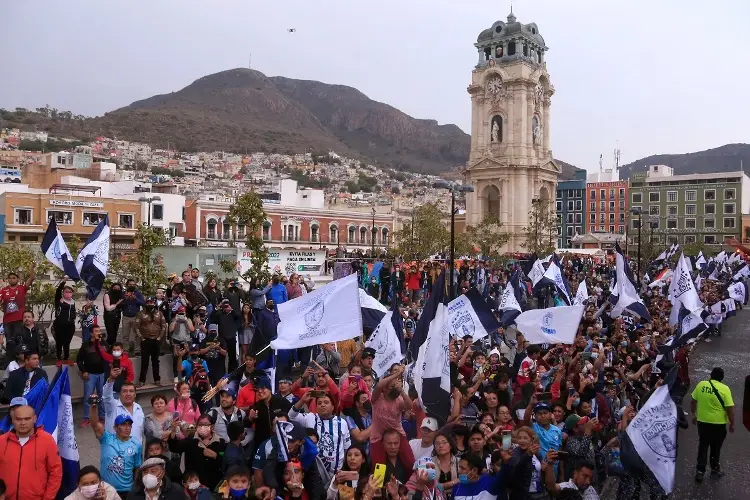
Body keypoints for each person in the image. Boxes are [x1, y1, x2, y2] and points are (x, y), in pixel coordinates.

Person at [0, 401, 62, 500]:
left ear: (34, 418)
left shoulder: (47, 440)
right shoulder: (2, 441)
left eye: (27, 419)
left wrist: (48, 498)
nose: (23, 423)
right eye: (18, 419)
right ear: (12, 420)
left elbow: (55, 473)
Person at [289, 391, 352, 476]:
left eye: (326, 402)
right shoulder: (310, 418)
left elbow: (346, 448)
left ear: (333, 407)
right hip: (313, 473)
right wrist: (302, 401)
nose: (322, 405)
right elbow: (291, 417)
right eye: (319, 403)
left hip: (336, 474)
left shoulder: (342, 422)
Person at [90, 400, 143, 499]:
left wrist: (135, 488)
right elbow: (95, 424)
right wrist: (93, 406)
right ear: (115, 428)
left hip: (127, 490)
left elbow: (137, 468)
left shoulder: (137, 444)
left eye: (129, 425)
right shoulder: (106, 438)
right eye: (123, 425)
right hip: (107, 489)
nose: (127, 428)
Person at [690, 366, 734, 482]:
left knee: (703, 446)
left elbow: (693, 401)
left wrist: (694, 415)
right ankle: (714, 467)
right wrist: (732, 423)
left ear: (711, 375)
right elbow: (729, 408)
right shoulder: (725, 389)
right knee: (716, 447)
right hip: (719, 424)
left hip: (703, 422)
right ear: (722, 378)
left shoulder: (701, 385)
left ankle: (700, 471)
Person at [369, 364, 415, 472]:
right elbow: (379, 385)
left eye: (395, 388)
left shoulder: (398, 400)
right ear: (384, 389)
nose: (394, 390)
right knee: (378, 468)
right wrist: (397, 374)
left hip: (397, 433)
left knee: (410, 462)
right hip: (378, 435)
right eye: (391, 388)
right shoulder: (377, 398)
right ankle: (378, 488)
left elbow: (410, 406)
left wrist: (402, 391)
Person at [168, 413, 228, 490]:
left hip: (214, 484)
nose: (203, 427)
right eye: (200, 424)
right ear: (196, 426)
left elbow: (225, 462)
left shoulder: (220, 442)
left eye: (206, 424)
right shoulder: (191, 440)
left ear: (212, 426)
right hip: (194, 484)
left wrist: (215, 456)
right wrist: (173, 431)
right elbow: (174, 448)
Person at [103, 365, 146, 444]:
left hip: (135, 451)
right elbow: (106, 396)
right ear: (120, 394)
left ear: (135, 394)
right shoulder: (112, 406)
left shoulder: (138, 408)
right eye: (125, 391)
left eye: (131, 391)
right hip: (116, 452)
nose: (128, 394)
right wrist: (111, 379)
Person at [77, 325, 109, 427]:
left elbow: (109, 358)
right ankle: (87, 418)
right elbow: (79, 360)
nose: (99, 333)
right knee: (88, 397)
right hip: (90, 375)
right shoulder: (86, 345)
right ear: (91, 333)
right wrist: (84, 371)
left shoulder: (104, 344)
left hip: (102, 374)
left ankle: (102, 416)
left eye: (99, 331)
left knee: (102, 395)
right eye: (96, 331)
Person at [0, 265, 35, 350]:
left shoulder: (22, 288)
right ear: (8, 280)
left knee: (19, 343)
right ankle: (11, 362)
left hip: (19, 320)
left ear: (18, 279)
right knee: (9, 343)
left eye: (14, 278)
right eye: (10, 278)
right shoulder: (3, 290)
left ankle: (21, 362)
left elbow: (31, 278)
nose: (12, 279)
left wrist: (32, 269)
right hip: (7, 321)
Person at [136, 296, 167, 387]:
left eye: (152, 302)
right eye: (148, 302)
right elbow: (136, 327)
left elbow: (164, 326)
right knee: (144, 361)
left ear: (154, 303)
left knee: (155, 361)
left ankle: (157, 380)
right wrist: (141, 338)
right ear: (146, 303)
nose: (150, 304)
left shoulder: (160, 313)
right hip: (145, 340)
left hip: (156, 340)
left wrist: (160, 337)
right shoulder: (140, 314)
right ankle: (142, 381)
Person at [211, 299, 241, 373]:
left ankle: (233, 372)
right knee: (222, 356)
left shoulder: (233, 314)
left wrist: (231, 310)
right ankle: (222, 372)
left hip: (231, 337)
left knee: (232, 357)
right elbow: (212, 318)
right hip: (222, 338)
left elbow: (239, 317)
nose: (226, 308)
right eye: (224, 306)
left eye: (227, 306)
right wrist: (216, 309)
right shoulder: (219, 314)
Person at [170, 305, 195, 384]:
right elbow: (170, 329)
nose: (181, 314)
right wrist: (175, 320)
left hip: (186, 342)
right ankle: (176, 376)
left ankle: (184, 375)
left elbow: (192, 329)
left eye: (183, 313)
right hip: (176, 341)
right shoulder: (175, 319)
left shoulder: (188, 319)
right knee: (176, 359)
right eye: (180, 313)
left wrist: (186, 320)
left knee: (186, 359)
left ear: (185, 313)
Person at [53, 281, 77, 365]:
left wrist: (73, 318)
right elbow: (58, 290)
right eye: (66, 291)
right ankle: (59, 358)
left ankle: (66, 358)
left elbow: (73, 312)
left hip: (70, 326)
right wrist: (63, 281)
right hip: (59, 325)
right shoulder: (59, 300)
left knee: (67, 342)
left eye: (70, 292)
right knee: (59, 342)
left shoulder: (73, 302)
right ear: (63, 292)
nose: (68, 293)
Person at [121, 279, 146, 355]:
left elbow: (143, 303)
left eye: (133, 284)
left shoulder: (138, 293)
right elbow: (119, 304)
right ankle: (126, 350)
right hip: (126, 317)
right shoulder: (123, 293)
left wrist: (136, 299)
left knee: (137, 334)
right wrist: (125, 299)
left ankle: (137, 350)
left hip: (135, 317)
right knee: (125, 335)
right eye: (130, 284)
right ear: (127, 285)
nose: (132, 286)